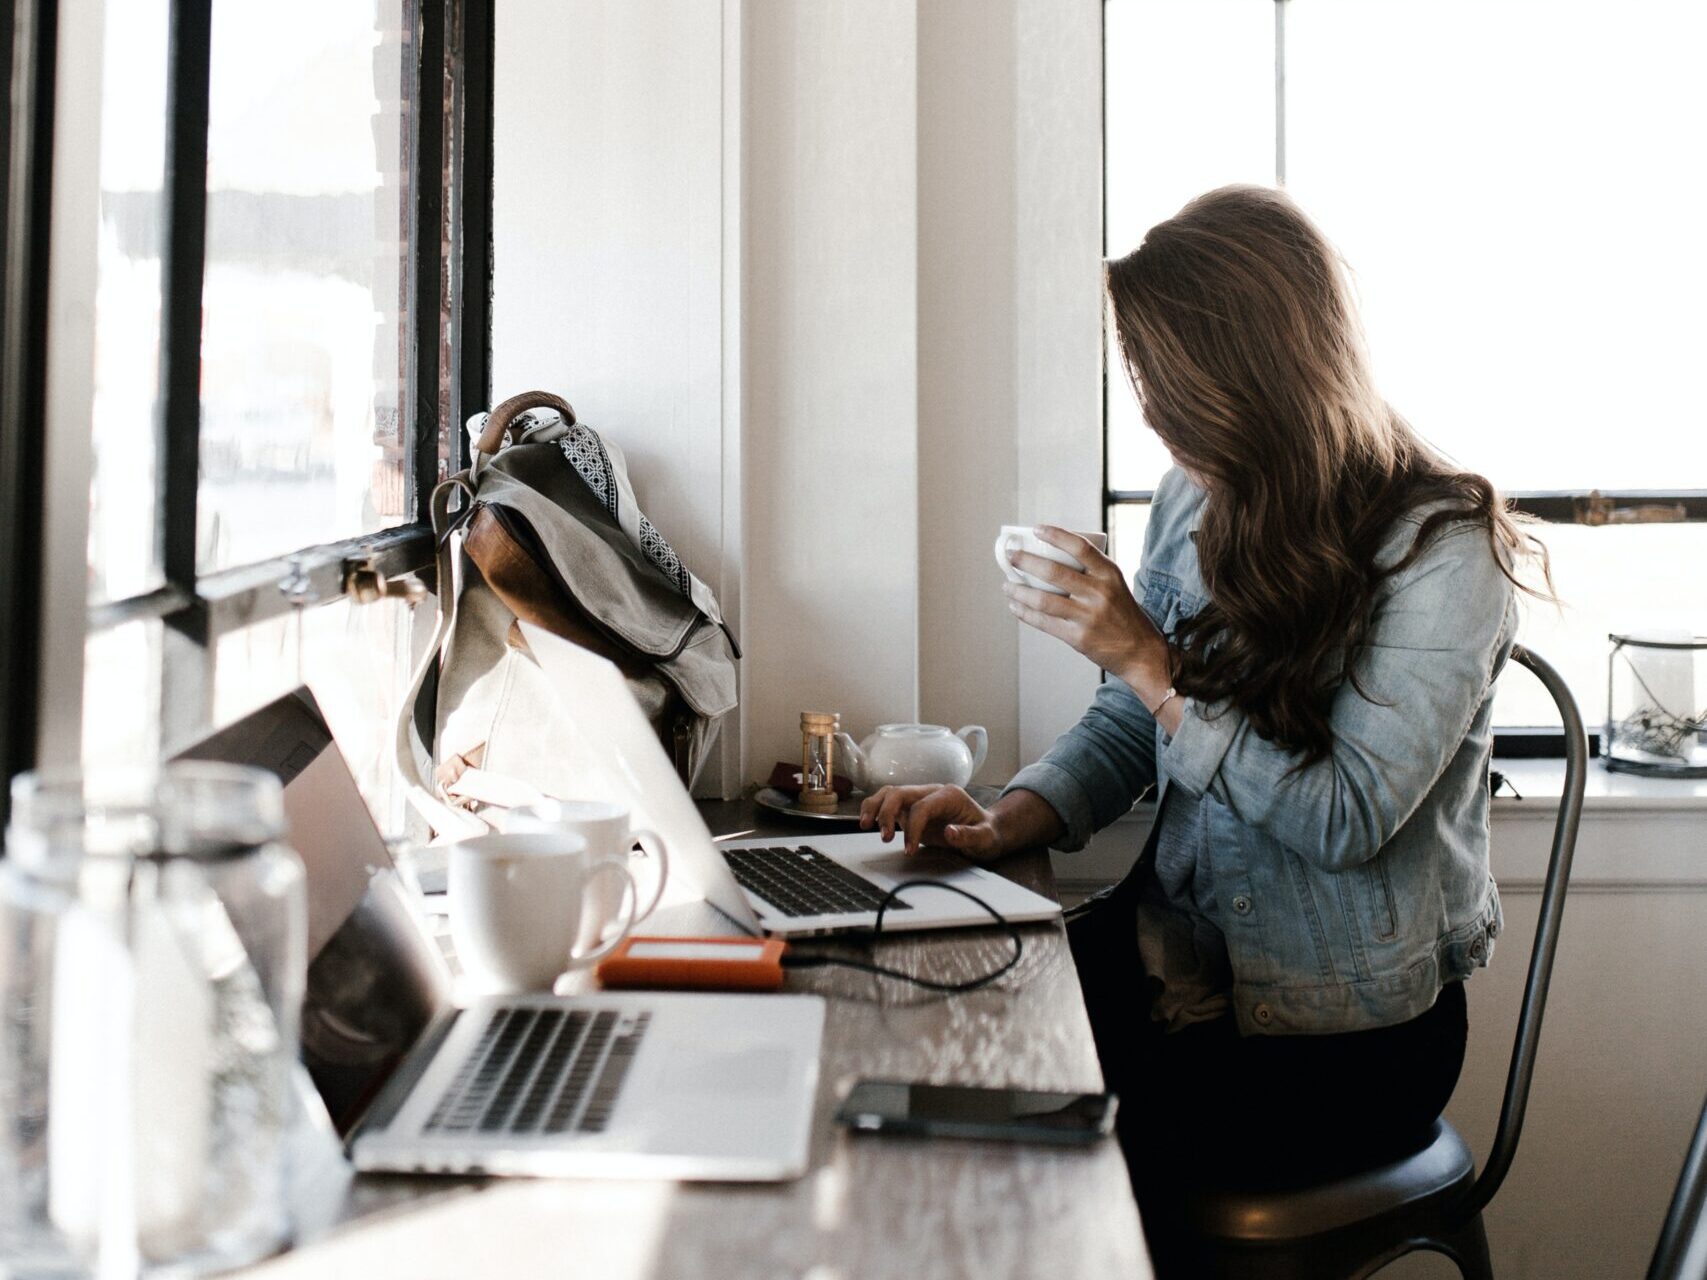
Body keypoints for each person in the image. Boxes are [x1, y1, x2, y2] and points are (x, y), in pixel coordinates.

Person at [859, 185, 1551, 1233]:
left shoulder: (1445, 550)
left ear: (1253, 373)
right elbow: (1132, 720)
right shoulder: (1198, 495)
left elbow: (1345, 817)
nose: (1150, 409)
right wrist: (1010, 816)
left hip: (1343, 1038)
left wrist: (1150, 660)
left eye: (1163, 379)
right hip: (1176, 967)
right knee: (916, 1038)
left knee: (1022, 1153)